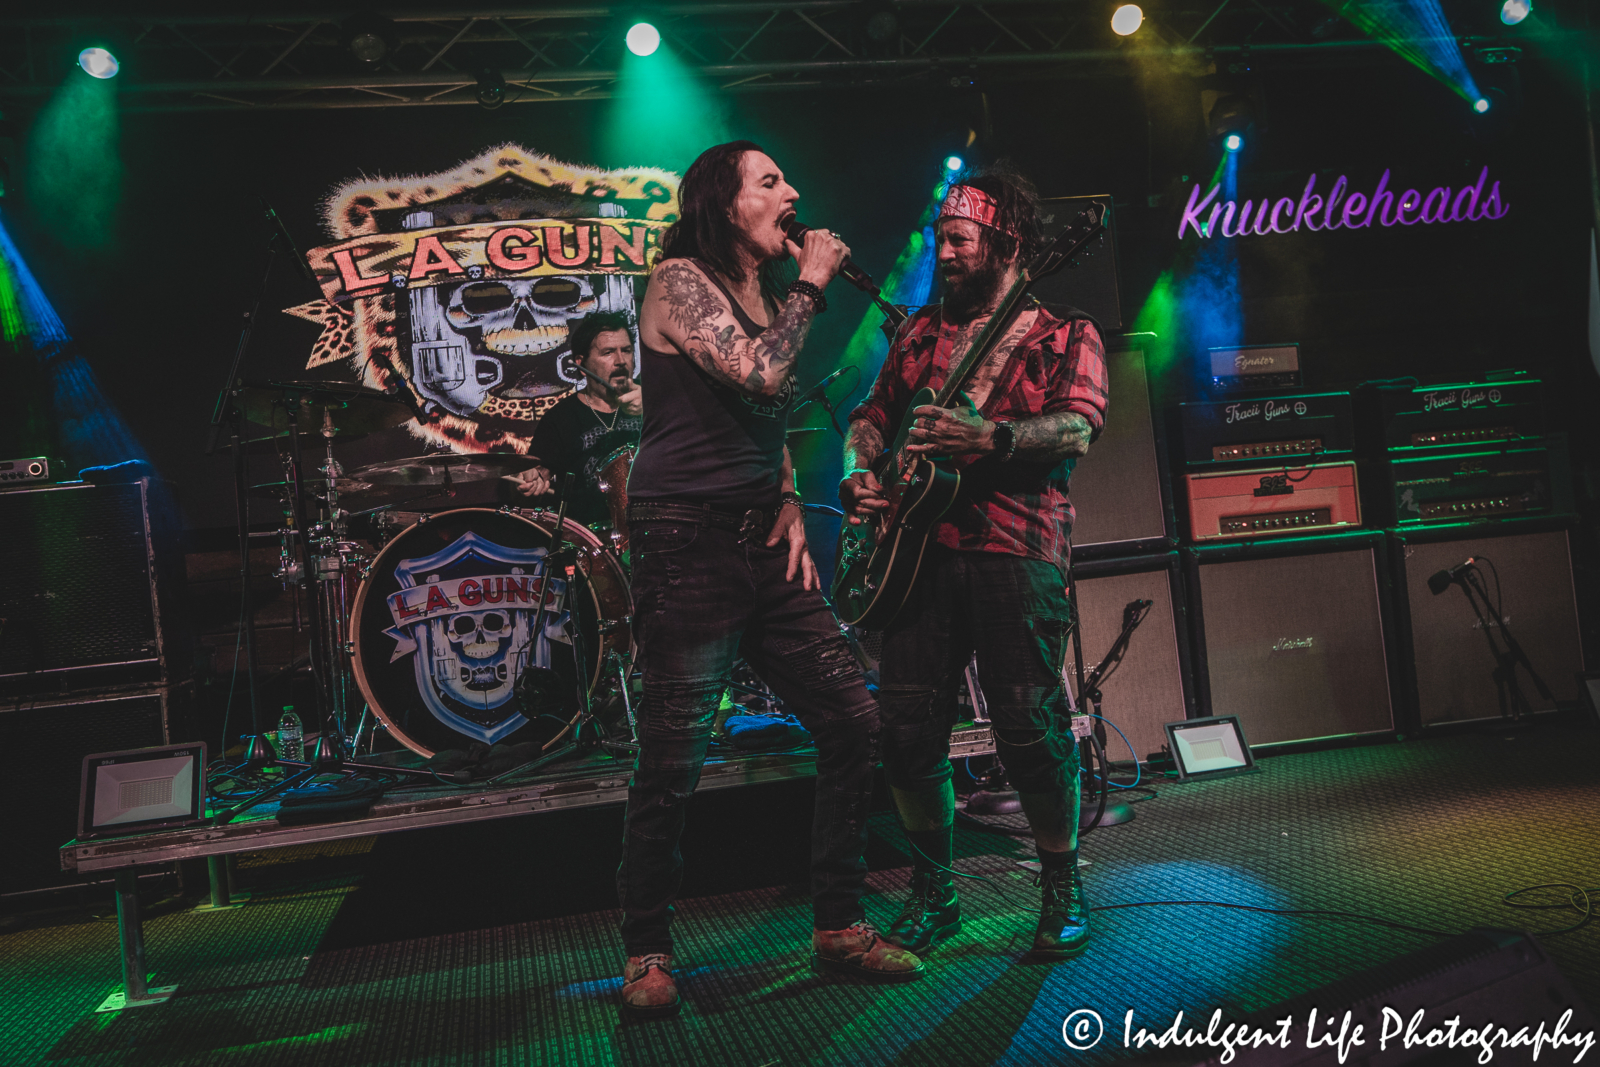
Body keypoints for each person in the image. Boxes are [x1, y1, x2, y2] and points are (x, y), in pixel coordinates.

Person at [615, 140, 922, 1018]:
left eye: (789, 176)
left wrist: (788, 495)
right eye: (771, 181)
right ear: (725, 203)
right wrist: (814, 281)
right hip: (686, 543)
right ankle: (646, 950)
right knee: (672, 760)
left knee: (854, 717)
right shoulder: (678, 281)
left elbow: (764, 414)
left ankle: (837, 921)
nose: (793, 191)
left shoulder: (762, 292)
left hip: (762, 539)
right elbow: (760, 370)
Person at [839, 166, 1109, 962]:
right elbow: (868, 416)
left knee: (1028, 724)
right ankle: (935, 891)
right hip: (918, 554)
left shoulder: (1065, 334)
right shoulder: (919, 333)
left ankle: (1061, 884)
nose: (944, 252)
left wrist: (992, 440)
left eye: (959, 240)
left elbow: (1079, 427)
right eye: (939, 239)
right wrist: (858, 473)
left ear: (1007, 245)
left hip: (1015, 545)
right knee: (908, 728)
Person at [514, 311, 643, 526]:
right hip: (595, 537)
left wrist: (652, 407)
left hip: (656, 526)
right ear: (581, 365)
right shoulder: (561, 419)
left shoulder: (657, 399)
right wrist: (533, 479)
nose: (621, 361)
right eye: (608, 352)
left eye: (627, 351)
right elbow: (538, 473)